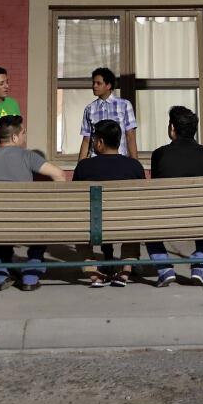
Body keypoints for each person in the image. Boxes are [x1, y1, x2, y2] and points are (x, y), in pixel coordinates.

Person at [0, 115, 65, 290]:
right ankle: (30, 275)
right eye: (23, 132)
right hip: (24, 225)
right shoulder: (28, 156)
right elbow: (59, 175)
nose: (25, 136)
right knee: (43, 223)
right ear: (14, 137)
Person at [146, 106, 203, 287]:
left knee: (146, 223)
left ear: (172, 128)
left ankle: (164, 269)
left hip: (167, 219)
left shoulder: (160, 154)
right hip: (202, 220)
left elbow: (156, 185)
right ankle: (200, 267)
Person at [72, 119, 146, 287]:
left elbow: (75, 200)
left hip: (93, 226)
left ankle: (93, 274)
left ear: (100, 142)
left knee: (78, 224)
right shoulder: (134, 166)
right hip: (127, 225)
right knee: (134, 220)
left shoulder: (84, 167)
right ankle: (125, 271)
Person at [78, 67, 138, 160]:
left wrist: (136, 164)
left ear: (108, 85)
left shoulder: (125, 105)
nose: (94, 86)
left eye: (98, 83)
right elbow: (86, 140)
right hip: (96, 161)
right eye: (93, 83)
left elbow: (130, 136)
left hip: (119, 159)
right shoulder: (89, 109)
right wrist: (79, 167)